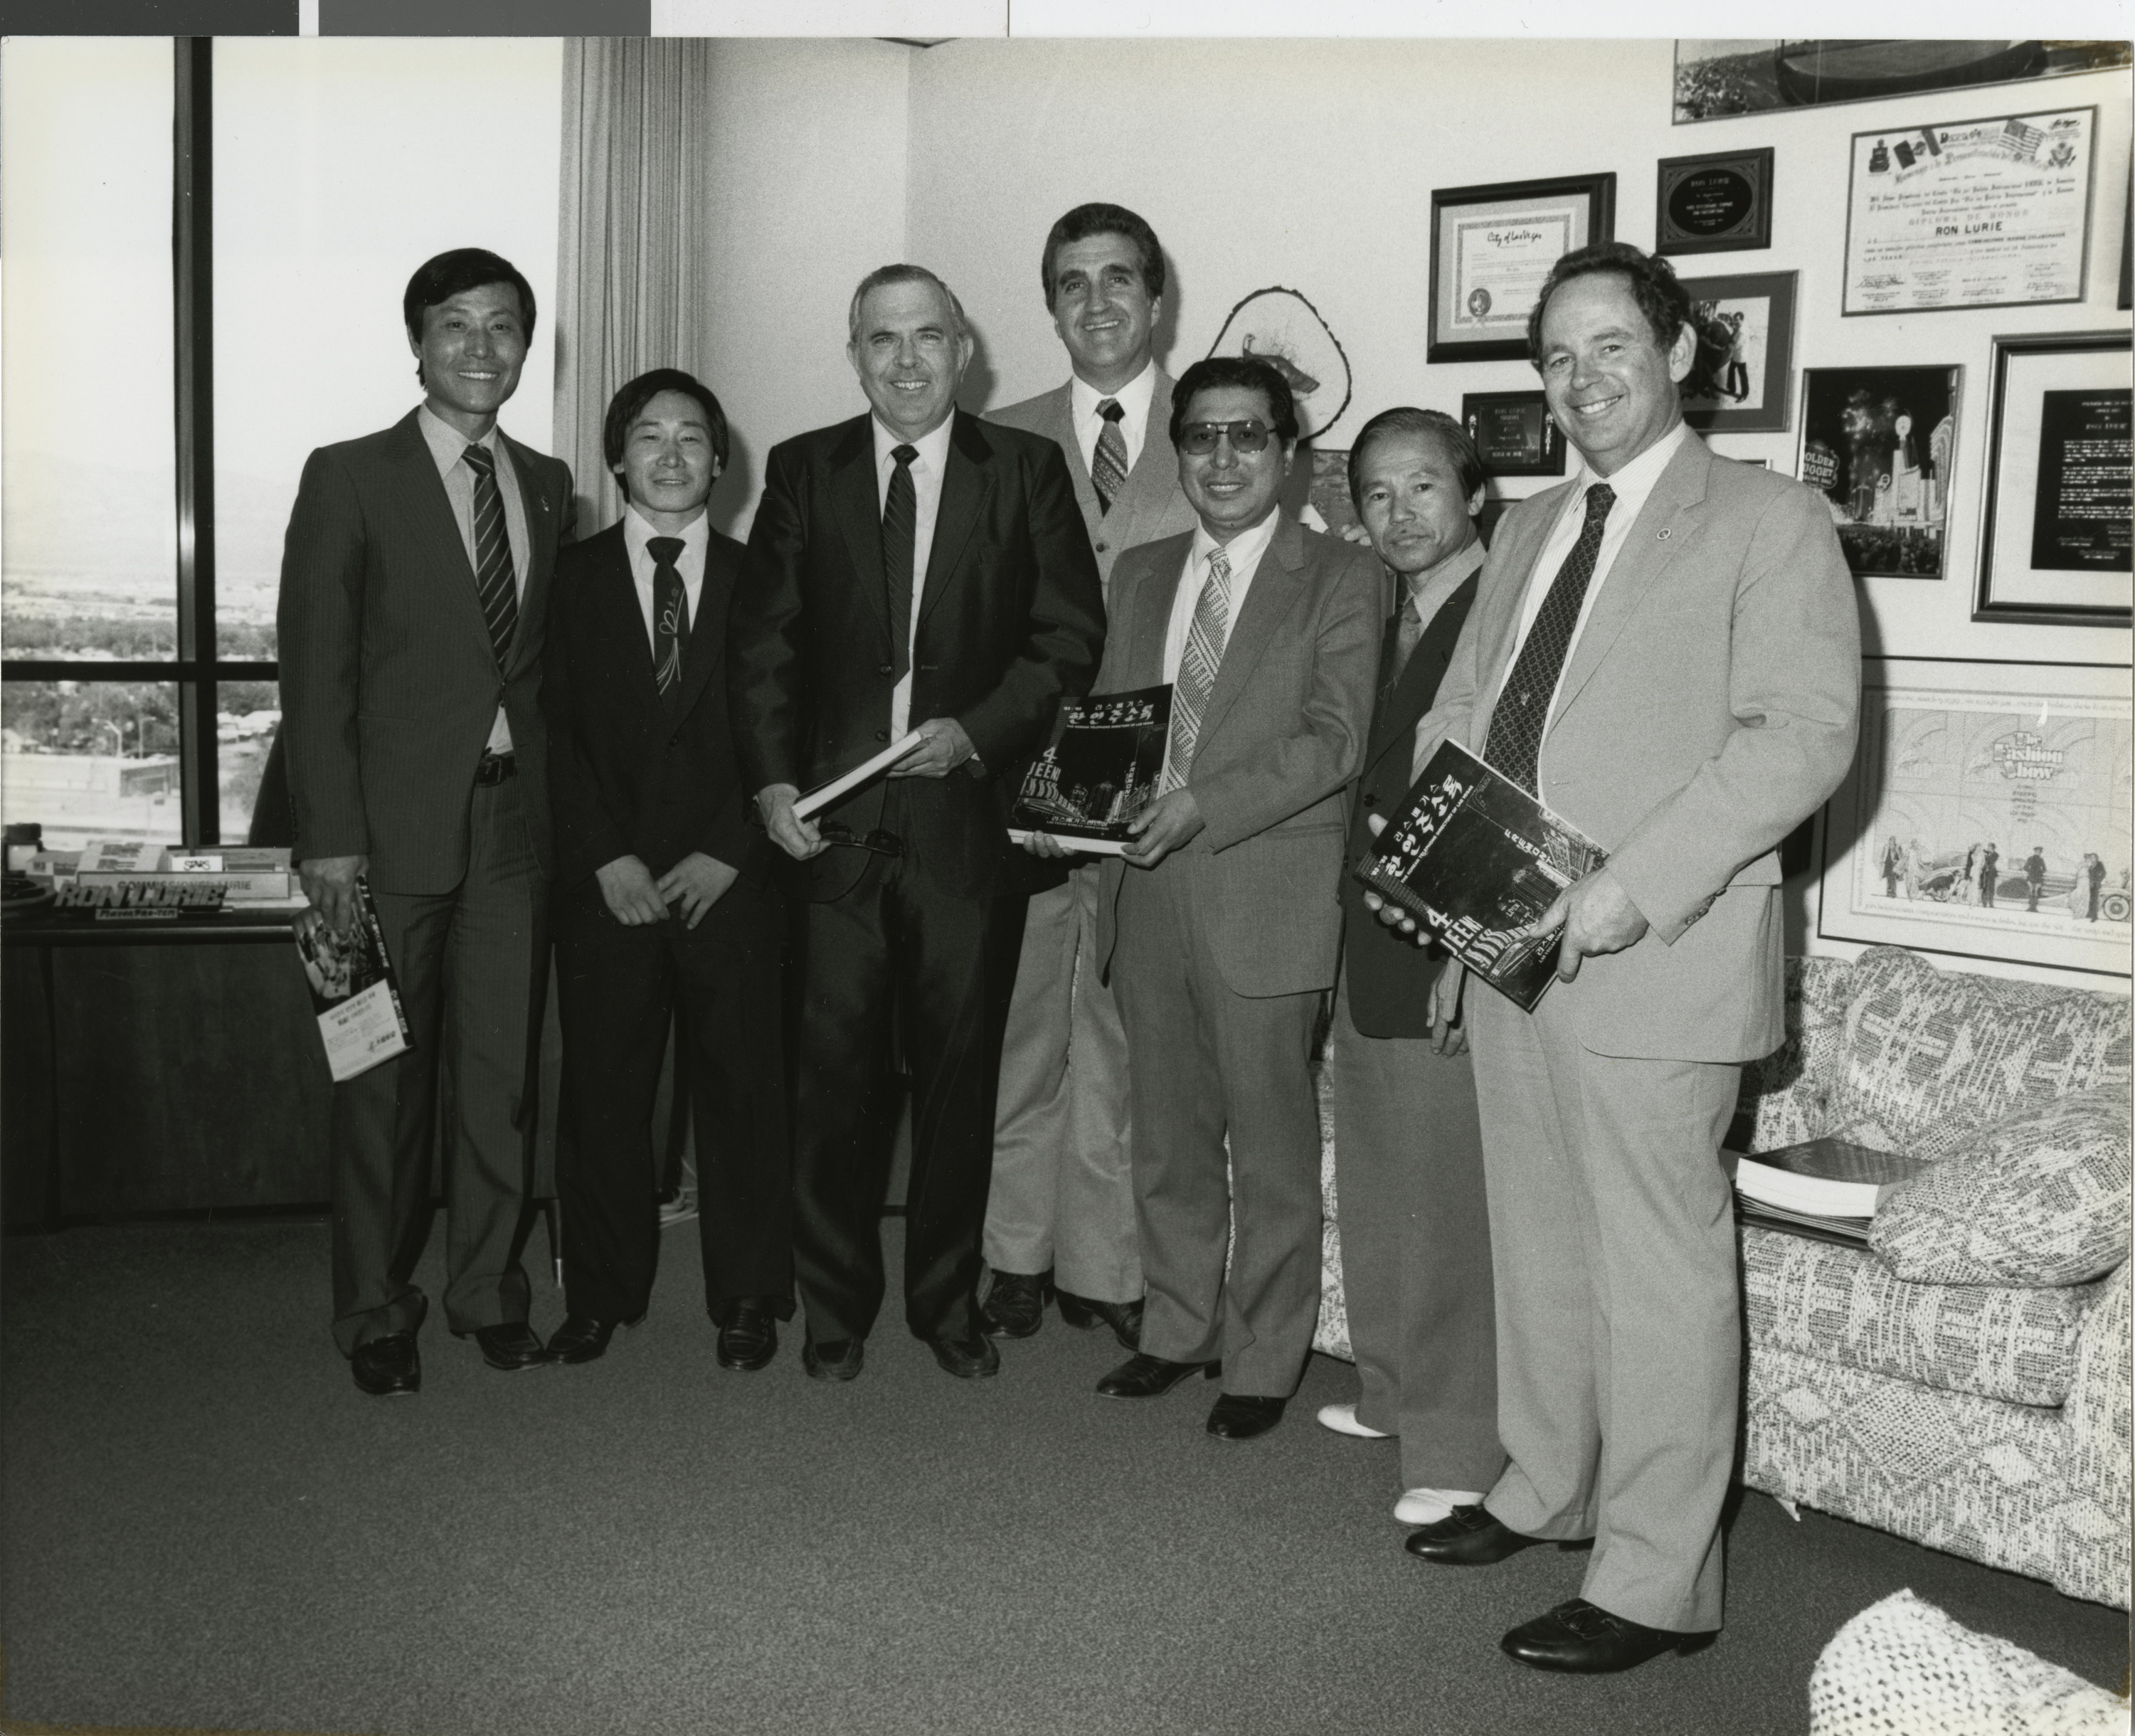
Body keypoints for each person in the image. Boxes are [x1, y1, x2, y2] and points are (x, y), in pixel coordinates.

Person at [1396, 241, 1859, 1673]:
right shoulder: (1529, 525)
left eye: (1612, 345)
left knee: (1657, 1274)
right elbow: (1462, 711)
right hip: (1511, 951)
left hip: (1658, 953)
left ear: (1679, 352)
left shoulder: (1771, 521)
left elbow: (1799, 736)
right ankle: (1548, 1487)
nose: (1583, 377)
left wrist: (1625, 889)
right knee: (1538, 1242)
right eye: (1556, 355)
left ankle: (1655, 1582)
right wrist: (1451, 893)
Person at [729, 265, 1104, 1384]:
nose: (905, 361)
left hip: (963, 834)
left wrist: (978, 733)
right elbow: (765, 650)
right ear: (853, 354)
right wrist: (768, 787)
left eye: (927, 337)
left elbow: (1065, 639)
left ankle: (947, 1305)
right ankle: (833, 1313)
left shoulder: (1028, 470)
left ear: (964, 351)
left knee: (958, 1086)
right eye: (882, 340)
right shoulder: (805, 469)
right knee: (831, 1088)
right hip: (832, 837)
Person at [278, 248, 574, 1396]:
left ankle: (486, 1293)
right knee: (381, 1085)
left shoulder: (547, 483)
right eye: (457, 326)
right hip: (384, 842)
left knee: (499, 1079)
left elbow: (534, 675)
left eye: (503, 327)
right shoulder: (349, 475)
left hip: (513, 835)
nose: (482, 348)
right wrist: (330, 842)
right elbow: (317, 673)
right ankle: (373, 1312)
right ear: (418, 343)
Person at [1079, 354, 1379, 1441]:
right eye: (1201, 436)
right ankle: (1175, 1329)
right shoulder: (1142, 572)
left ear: (1287, 454)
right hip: (1145, 890)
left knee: (1270, 1149)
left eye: (1247, 435)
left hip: (1267, 891)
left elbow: (1334, 742)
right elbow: (1113, 721)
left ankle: (1263, 1356)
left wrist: (1202, 804)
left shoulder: (1345, 575)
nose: (1221, 457)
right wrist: (1069, 804)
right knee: (1165, 1137)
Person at [978, 202, 1198, 1350]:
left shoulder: (1219, 431)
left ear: (1156, 298)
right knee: (1020, 1033)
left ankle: (1104, 1270)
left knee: (1119, 1040)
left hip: (1157, 797)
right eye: (1073, 282)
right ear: (1050, 302)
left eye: (1121, 279)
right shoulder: (998, 436)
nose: (1099, 301)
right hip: (1024, 796)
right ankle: (1013, 1253)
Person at [542, 369, 790, 1370]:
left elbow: (794, 729)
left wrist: (730, 850)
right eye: (650, 437)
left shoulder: (766, 576)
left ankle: (747, 1297)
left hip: (733, 880)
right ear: (617, 458)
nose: (674, 455)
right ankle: (599, 1293)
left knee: (744, 1092)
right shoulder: (566, 579)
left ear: (722, 463)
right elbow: (551, 732)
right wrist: (606, 856)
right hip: (611, 885)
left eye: (694, 438)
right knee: (603, 1092)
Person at [1317, 408, 1503, 1525]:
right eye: (1377, 496)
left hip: (1444, 937)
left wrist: (1470, 948)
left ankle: (1458, 1446)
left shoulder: (1505, 608)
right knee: (1380, 1184)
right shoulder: (1386, 609)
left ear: (1471, 492)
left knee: (1445, 1211)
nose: (1399, 514)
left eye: (1423, 488)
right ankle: (1390, 1392)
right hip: (1366, 930)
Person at [2025, 846, 2049, 913]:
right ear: (2035, 852)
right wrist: (2030, 871)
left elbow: (2044, 869)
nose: (2038, 853)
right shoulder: (2030, 859)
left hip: (2038, 878)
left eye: (2040, 852)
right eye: (2037, 852)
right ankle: (2030, 907)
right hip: (2031, 877)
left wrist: (2040, 873)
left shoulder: (2041, 860)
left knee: (2036, 892)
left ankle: (2035, 908)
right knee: (2031, 891)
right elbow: (2026, 867)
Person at [1980, 841, 2001, 909]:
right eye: (1988, 847)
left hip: (1992, 873)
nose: (1988, 848)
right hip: (1985, 872)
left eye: (1990, 847)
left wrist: (1987, 854)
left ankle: (1991, 903)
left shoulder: (1996, 855)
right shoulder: (1986, 854)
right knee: (1984, 887)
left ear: (1993, 848)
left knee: (1991, 888)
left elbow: (1991, 860)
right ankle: (1984, 903)